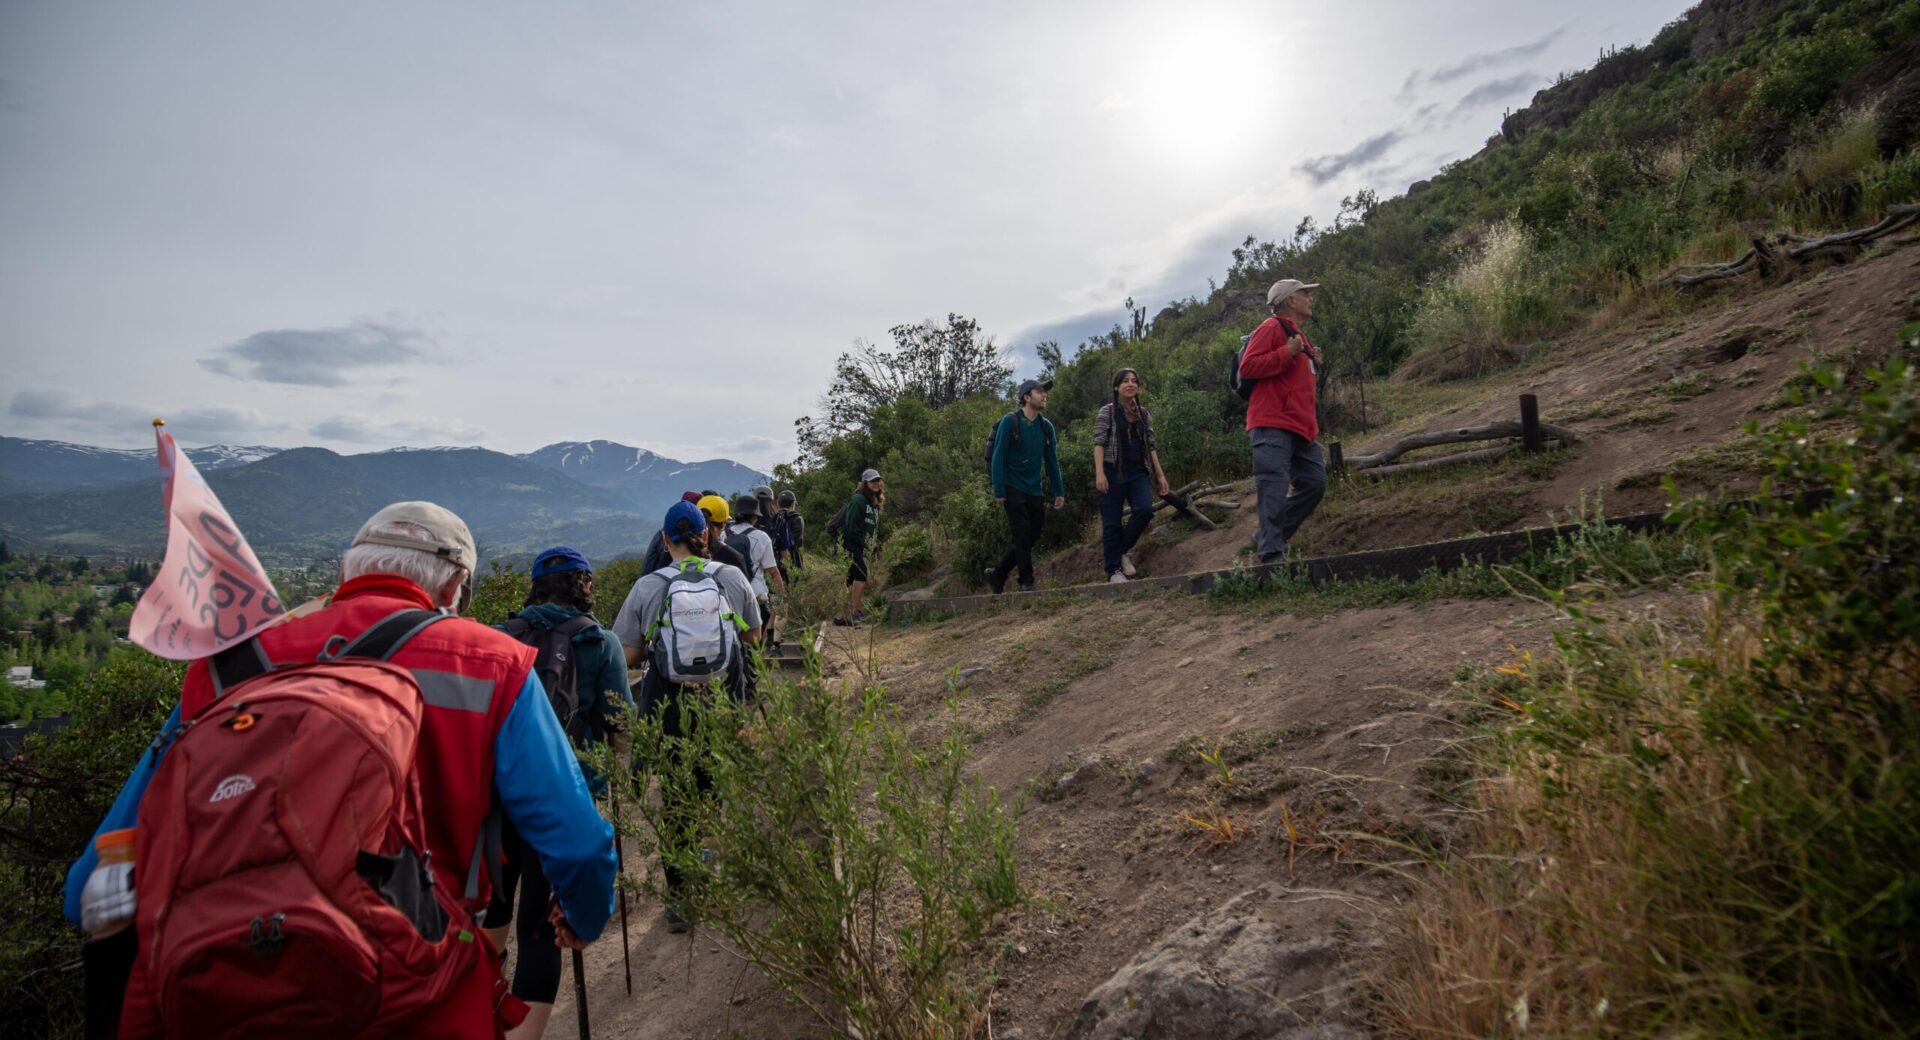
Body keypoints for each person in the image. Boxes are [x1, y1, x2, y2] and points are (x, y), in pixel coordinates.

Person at [65, 502, 618, 1039]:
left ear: (343, 573)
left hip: (222, 985)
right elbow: (577, 842)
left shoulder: (229, 667)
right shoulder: (491, 664)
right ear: (454, 588)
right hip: (413, 989)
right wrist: (583, 918)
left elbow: (91, 880)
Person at [485, 546, 632, 1040]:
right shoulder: (600, 641)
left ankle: (485, 993)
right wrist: (612, 785)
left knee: (494, 907)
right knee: (538, 928)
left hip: (496, 798)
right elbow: (620, 724)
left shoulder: (499, 636)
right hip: (564, 798)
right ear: (583, 584)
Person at [611, 501, 761, 933]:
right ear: (708, 535)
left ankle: (679, 896)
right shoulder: (730, 577)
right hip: (720, 702)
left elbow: (627, 653)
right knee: (712, 787)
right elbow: (753, 636)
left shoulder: (648, 585)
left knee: (676, 798)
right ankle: (707, 872)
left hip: (669, 707)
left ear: (665, 540)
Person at [1240, 278, 1327, 563]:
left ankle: (1268, 537)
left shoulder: (1299, 336)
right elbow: (1248, 367)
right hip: (1272, 424)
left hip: (1301, 428)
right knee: (1274, 490)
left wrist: (1309, 358)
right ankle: (1271, 558)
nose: (1310, 299)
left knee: (1314, 483)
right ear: (1290, 300)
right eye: (1304, 294)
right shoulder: (1271, 327)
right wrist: (1287, 353)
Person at [985, 378, 1065, 594]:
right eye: (1039, 392)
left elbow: (1051, 461)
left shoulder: (1046, 427)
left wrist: (1059, 490)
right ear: (1027, 397)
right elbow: (998, 456)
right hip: (1012, 486)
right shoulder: (1010, 421)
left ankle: (998, 573)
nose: (1044, 395)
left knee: (1033, 533)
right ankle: (1026, 581)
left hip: (1034, 488)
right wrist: (998, 488)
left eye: (1045, 392)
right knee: (1021, 533)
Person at [1092, 368, 1172, 583]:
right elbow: (1099, 443)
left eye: (1134, 381)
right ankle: (1113, 571)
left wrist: (1160, 475)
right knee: (1112, 522)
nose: (1130, 384)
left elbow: (1151, 446)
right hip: (1112, 471)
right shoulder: (1107, 412)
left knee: (1145, 510)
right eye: (1125, 381)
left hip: (1138, 472)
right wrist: (1099, 473)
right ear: (1116, 386)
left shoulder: (1143, 415)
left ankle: (1120, 551)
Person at [726, 493, 785, 643]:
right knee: (755, 642)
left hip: (727, 594)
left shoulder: (723, 535)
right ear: (754, 516)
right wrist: (782, 595)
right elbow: (773, 572)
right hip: (756, 594)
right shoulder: (762, 537)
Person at [832, 469, 884, 625]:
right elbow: (851, 528)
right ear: (865, 483)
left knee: (850, 580)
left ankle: (839, 617)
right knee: (861, 574)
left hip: (859, 545)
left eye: (877, 480)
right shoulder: (858, 499)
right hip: (849, 543)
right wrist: (865, 545)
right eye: (872, 481)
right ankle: (856, 612)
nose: (876, 483)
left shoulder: (874, 502)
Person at [769, 489, 805, 582]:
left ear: (778, 504)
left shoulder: (773, 519)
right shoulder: (797, 519)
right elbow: (796, 542)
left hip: (774, 561)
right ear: (793, 504)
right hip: (793, 561)